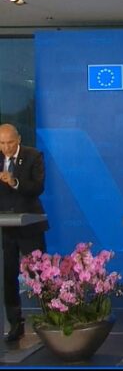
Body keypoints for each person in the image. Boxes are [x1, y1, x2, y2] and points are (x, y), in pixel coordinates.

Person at [0, 123, 49, 343]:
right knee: (8, 276)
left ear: (18, 139)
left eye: (10, 142)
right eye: (2, 143)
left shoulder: (33, 156)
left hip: (29, 225)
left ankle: (51, 317)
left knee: (39, 274)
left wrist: (15, 182)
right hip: (5, 229)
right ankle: (15, 323)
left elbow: (38, 187)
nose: (6, 147)